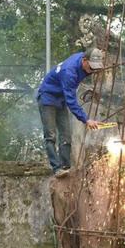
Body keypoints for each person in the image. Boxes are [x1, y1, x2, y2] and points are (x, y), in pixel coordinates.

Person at [37, 48, 104, 178]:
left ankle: (66, 167)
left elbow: (90, 55)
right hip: (48, 98)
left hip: (60, 99)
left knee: (66, 134)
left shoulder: (83, 57)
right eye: (91, 68)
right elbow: (71, 102)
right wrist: (86, 120)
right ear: (84, 61)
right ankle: (57, 169)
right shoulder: (69, 73)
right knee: (51, 135)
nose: (93, 71)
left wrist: (99, 56)